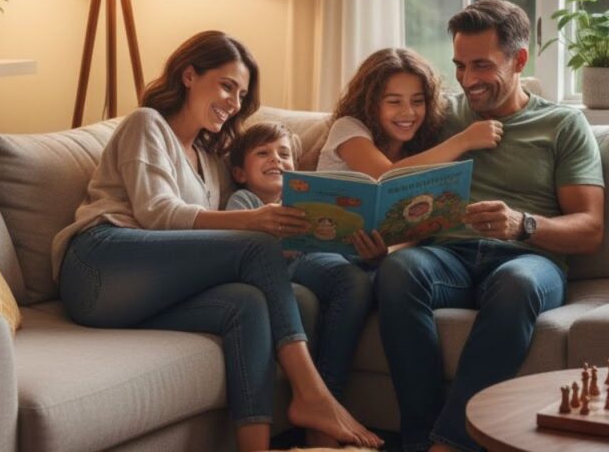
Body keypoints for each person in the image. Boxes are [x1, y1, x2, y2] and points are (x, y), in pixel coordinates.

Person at [51, 30, 383, 452]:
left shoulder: (211, 162)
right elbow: (157, 213)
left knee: (247, 303)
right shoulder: (146, 123)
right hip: (98, 263)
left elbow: (214, 224)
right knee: (257, 243)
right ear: (189, 75)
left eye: (241, 94)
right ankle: (313, 394)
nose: (233, 101)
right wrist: (253, 220)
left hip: (138, 292)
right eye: (226, 85)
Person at [376, 0, 605, 452]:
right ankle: (418, 440)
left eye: (482, 65)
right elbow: (386, 165)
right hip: (450, 256)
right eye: (460, 65)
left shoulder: (562, 124)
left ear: (519, 59)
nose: (467, 80)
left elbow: (591, 228)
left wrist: (523, 224)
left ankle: (451, 443)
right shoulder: (443, 118)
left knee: (517, 283)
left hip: (528, 259)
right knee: (398, 272)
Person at [225, 122, 375, 447]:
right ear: (239, 172)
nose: (276, 160)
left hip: (312, 263)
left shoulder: (302, 201)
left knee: (356, 280)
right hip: (277, 269)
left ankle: (327, 402)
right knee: (336, 285)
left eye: (284, 154)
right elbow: (237, 248)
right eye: (263, 153)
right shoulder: (243, 200)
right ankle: (322, 406)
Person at [316, 47, 502, 260]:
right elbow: (385, 176)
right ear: (370, 103)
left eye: (417, 101)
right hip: (325, 252)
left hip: (376, 260)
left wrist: (385, 253)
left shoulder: (421, 148)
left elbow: (415, 231)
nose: (408, 113)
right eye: (394, 101)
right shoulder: (347, 128)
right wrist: (464, 140)